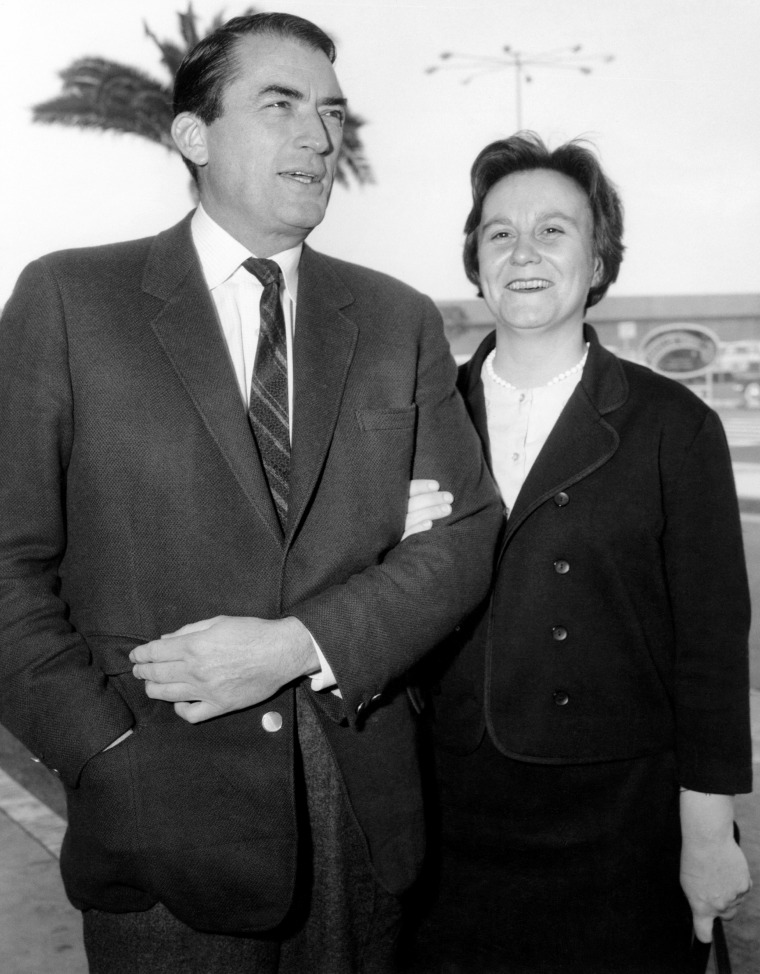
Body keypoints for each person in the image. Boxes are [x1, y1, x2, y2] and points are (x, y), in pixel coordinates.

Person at [0, 13, 502, 974]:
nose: (318, 137)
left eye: (330, 113)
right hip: (158, 817)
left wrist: (300, 645)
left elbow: (467, 530)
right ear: (193, 135)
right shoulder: (69, 302)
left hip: (359, 810)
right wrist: (102, 754)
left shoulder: (396, 319)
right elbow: (9, 562)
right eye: (280, 105)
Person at [411, 132, 753, 974]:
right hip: (448, 827)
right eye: (500, 234)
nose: (524, 253)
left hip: (618, 830)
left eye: (554, 230)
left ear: (599, 261)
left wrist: (708, 834)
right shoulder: (419, 420)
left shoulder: (675, 425)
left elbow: (709, 652)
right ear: (475, 261)